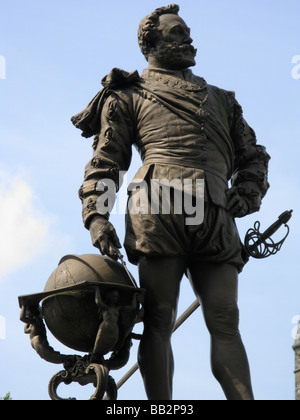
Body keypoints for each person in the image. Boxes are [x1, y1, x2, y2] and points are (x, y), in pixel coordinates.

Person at [71, 4, 270, 400]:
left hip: (215, 212)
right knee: (159, 317)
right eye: (177, 33)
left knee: (226, 318)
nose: (188, 39)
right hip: (157, 208)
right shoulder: (127, 94)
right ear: (152, 43)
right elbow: (108, 163)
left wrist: (247, 192)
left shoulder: (222, 100)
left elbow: (253, 156)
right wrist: (97, 216)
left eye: (188, 31)